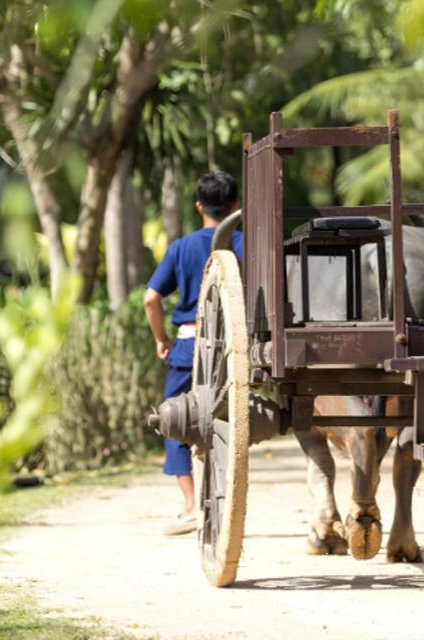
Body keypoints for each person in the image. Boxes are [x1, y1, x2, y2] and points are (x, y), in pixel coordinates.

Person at [144, 171, 242, 536]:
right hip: (236, 351)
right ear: (234, 206)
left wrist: (161, 339)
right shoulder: (246, 245)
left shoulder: (181, 248)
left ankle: (189, 507)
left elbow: (151, 298)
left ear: (199, 206)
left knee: (175, 421)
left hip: (188, 349)